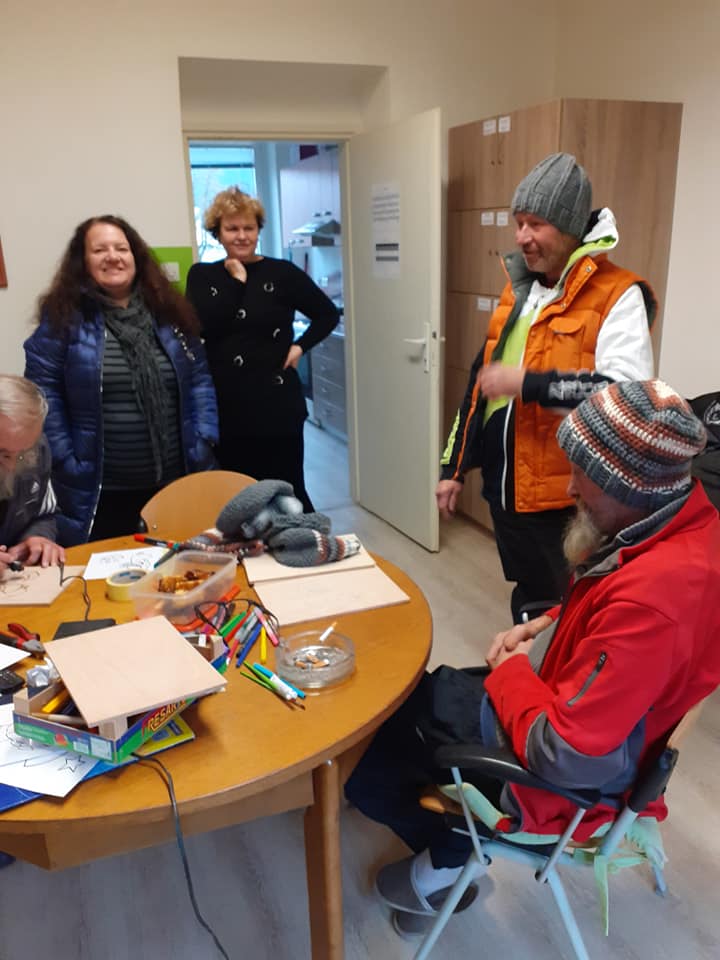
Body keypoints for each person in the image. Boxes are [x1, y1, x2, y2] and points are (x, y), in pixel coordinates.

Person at [346, 379, 720, 937]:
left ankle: (446, 861)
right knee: (426, 694)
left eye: (584, 475)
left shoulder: (654, 603)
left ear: (627, 485)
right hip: (590, 717)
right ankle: (445, 837)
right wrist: (546, 623)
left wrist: (512, 672)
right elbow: (610, 604)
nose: (570, 486)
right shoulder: (688, 524)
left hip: (556, 780)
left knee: (368, 758)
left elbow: (563, 755)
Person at [437, 153, 656, 622]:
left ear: (570, 226)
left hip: (566, 503)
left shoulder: (618, 294)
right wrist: (452, 468)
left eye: (535, 224)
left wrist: (529, 384)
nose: (521, 237)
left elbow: (625, 397)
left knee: (569, 613)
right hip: (508, 494)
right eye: (519, 223)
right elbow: (481, 384)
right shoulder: (520, 291)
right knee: (530, 600)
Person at [24, 216, 219, 546]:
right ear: (83, 261)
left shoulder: (169, 312)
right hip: (100, 490)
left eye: (121, 248)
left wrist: (204, 437)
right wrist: (65, 457)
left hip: (175, 481)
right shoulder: (62, 319)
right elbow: (43, 394)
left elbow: (199, 378)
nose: (112, 256)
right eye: (99, 249)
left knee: (180, 569)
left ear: (136, 257)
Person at [185, 188, 340, 512]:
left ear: (258, 230)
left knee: (288, 492)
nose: (242, 236)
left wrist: (300, 347)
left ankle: (301, 542)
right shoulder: (202, 276)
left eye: (249, 228)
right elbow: (203, 325)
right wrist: (237, 281)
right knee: (236, 496)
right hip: (228, 406)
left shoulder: (282, 273)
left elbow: (327, 314)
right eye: (232, 228)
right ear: (217, 233)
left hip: (276, 404)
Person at [0, 374, 64, 571]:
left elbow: (43, 515)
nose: (12, 467)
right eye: (2, 454)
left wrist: (38, 537)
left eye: (23, 454)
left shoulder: (37, 450)